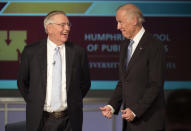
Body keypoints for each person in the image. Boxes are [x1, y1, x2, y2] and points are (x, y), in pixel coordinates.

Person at [17, 11, 91, 131]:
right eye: (62, 25)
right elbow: (22, 82)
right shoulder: (31, 52)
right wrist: (36, 102)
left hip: (70, 120)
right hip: (40, 119)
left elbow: (85, 83)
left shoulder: (78, 52)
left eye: (68, 24)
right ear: (49, 28)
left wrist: (72, 101)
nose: (67, 28)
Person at [100, 3, 166, 131]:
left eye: (121, 22)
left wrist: (135, 111)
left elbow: (155, 85)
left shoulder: (154, 46)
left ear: (134, 20)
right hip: (129, 122)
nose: (118, 27)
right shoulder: (125, 45)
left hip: (149, 121)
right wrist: (112, 105)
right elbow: (124, 81)